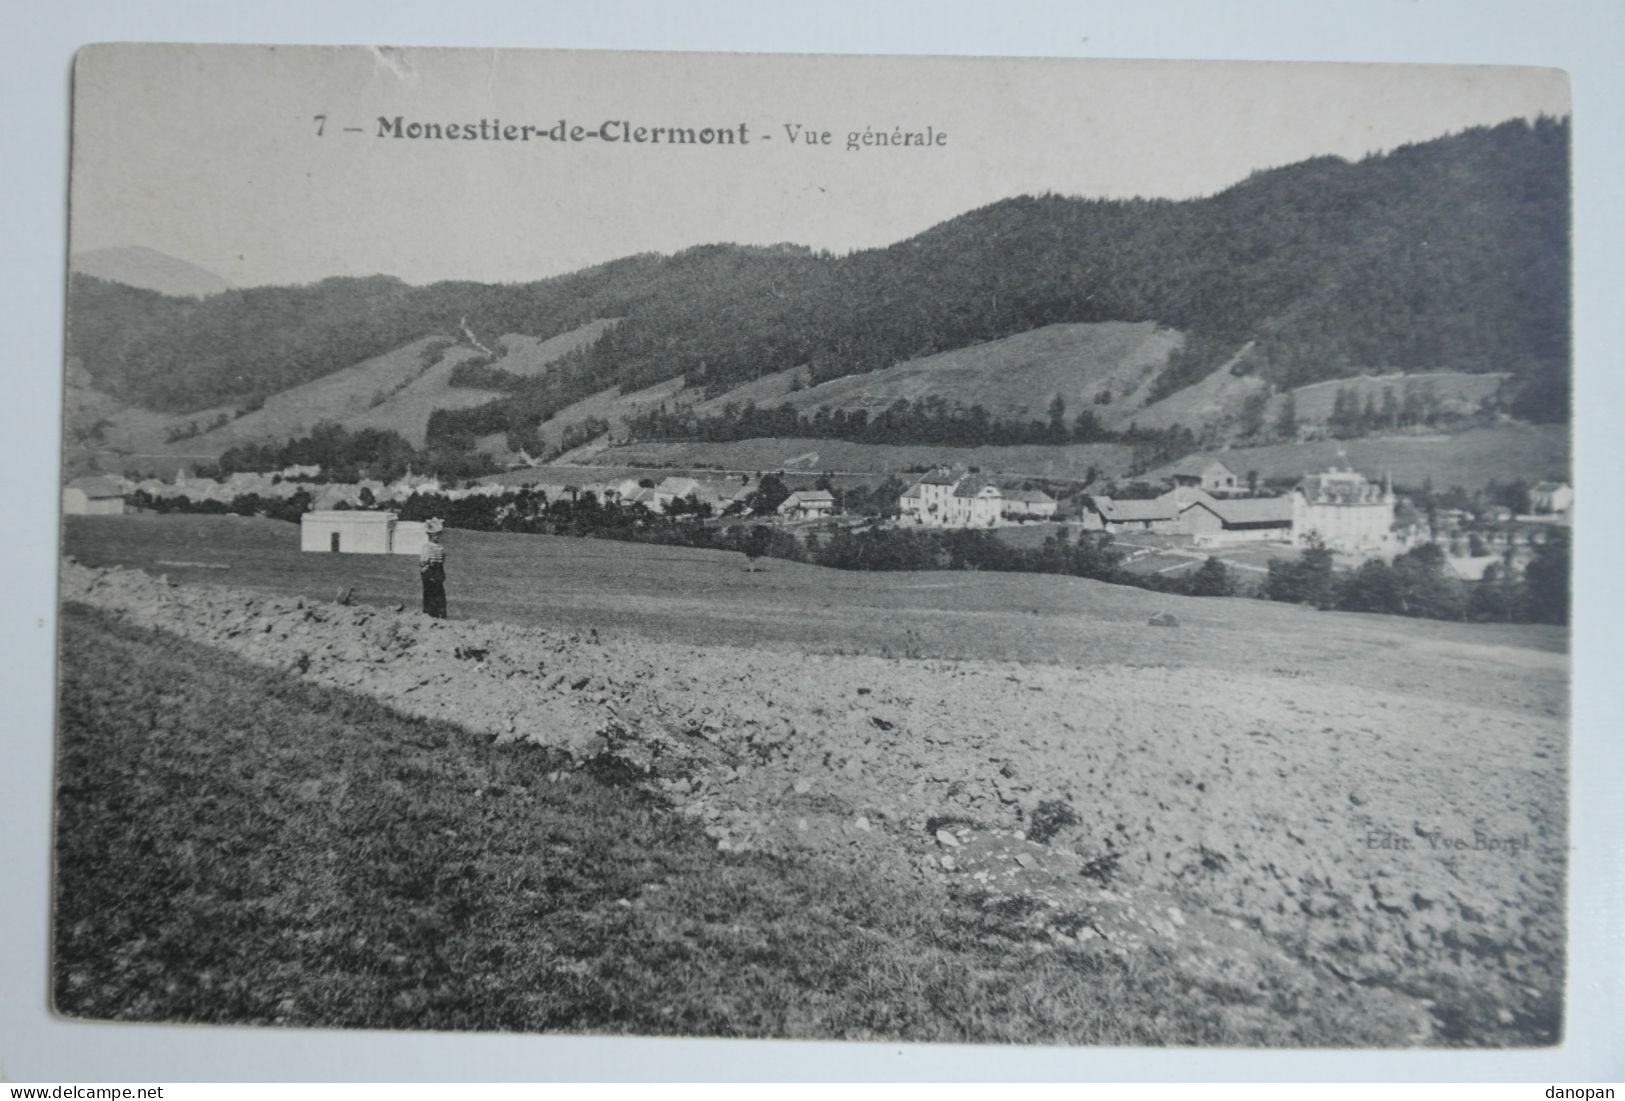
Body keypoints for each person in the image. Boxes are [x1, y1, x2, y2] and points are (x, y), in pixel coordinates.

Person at [419, 517, 447, 618]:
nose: (437, 537)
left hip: (438, 571)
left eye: (438, 534)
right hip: (430, 571)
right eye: (435, 535)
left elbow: (442, 560)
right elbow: (423, 561)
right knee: (430, 593)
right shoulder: (427, 547)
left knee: (439, 593)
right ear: (430, 535)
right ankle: (430, 613)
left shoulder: (440, 547)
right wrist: (427, 571)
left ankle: (440, 613)